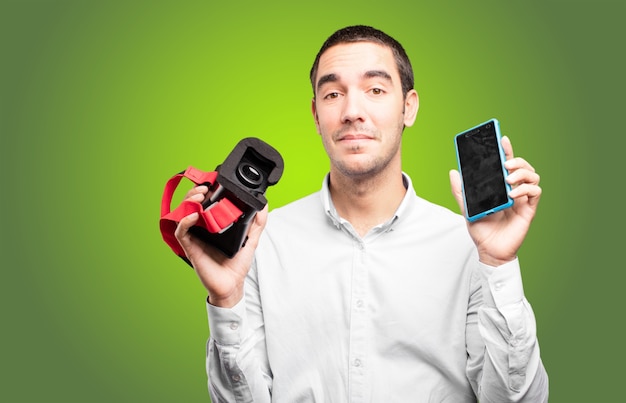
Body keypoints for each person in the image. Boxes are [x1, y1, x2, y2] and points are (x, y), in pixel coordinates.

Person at [174, 25, 549, 402]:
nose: (352, 112)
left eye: (376, 90)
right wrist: (226, 302)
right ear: (316, 114)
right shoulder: (260, 242)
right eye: (333, 94)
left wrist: (500, 264)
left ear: (409, 106)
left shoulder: (470, 247)